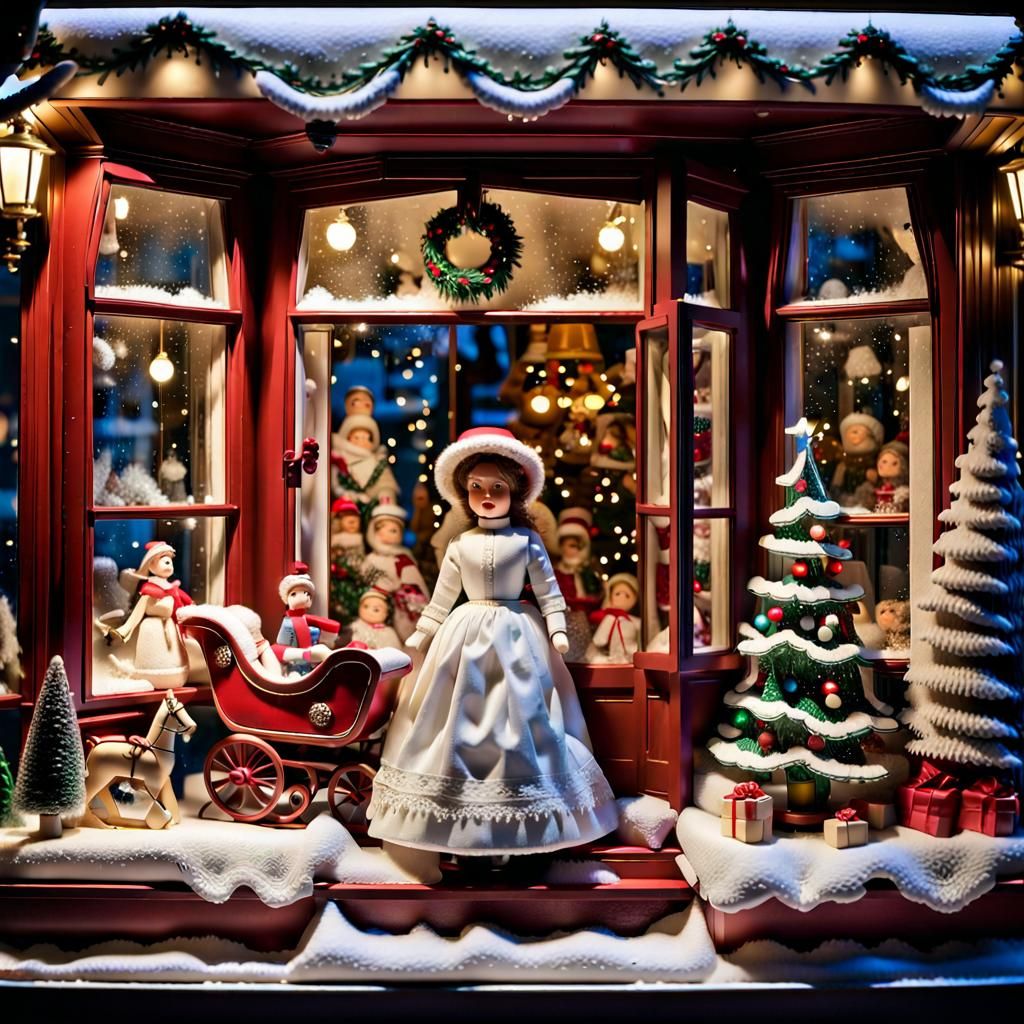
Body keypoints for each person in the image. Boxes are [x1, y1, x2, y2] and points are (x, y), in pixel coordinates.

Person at [366, 427, 618, 879]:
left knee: (525, 721)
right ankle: (458, 833)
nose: (486, 496)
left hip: (519, 637)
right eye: (477, 488)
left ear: (514, 491)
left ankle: (528, 837)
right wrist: (422, 633)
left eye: (497, 488)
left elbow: (550, 593)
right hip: (463, 636)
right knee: (455, 719)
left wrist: (557, 630)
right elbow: (442, 599)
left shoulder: (526, 541)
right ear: (465, 492)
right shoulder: (460, 545)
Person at [100, 541, 193, 688]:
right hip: (156, 619)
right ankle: (124, 630)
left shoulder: (170, 587)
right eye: (165, 561)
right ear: (150, 565)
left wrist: (191, 605)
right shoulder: (151, 587)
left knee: (160, 602)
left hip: (167, 620)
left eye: (170, 562)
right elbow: (150, 599)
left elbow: (182, 598)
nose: (169, 565)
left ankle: (125, 630)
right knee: (149, 600)